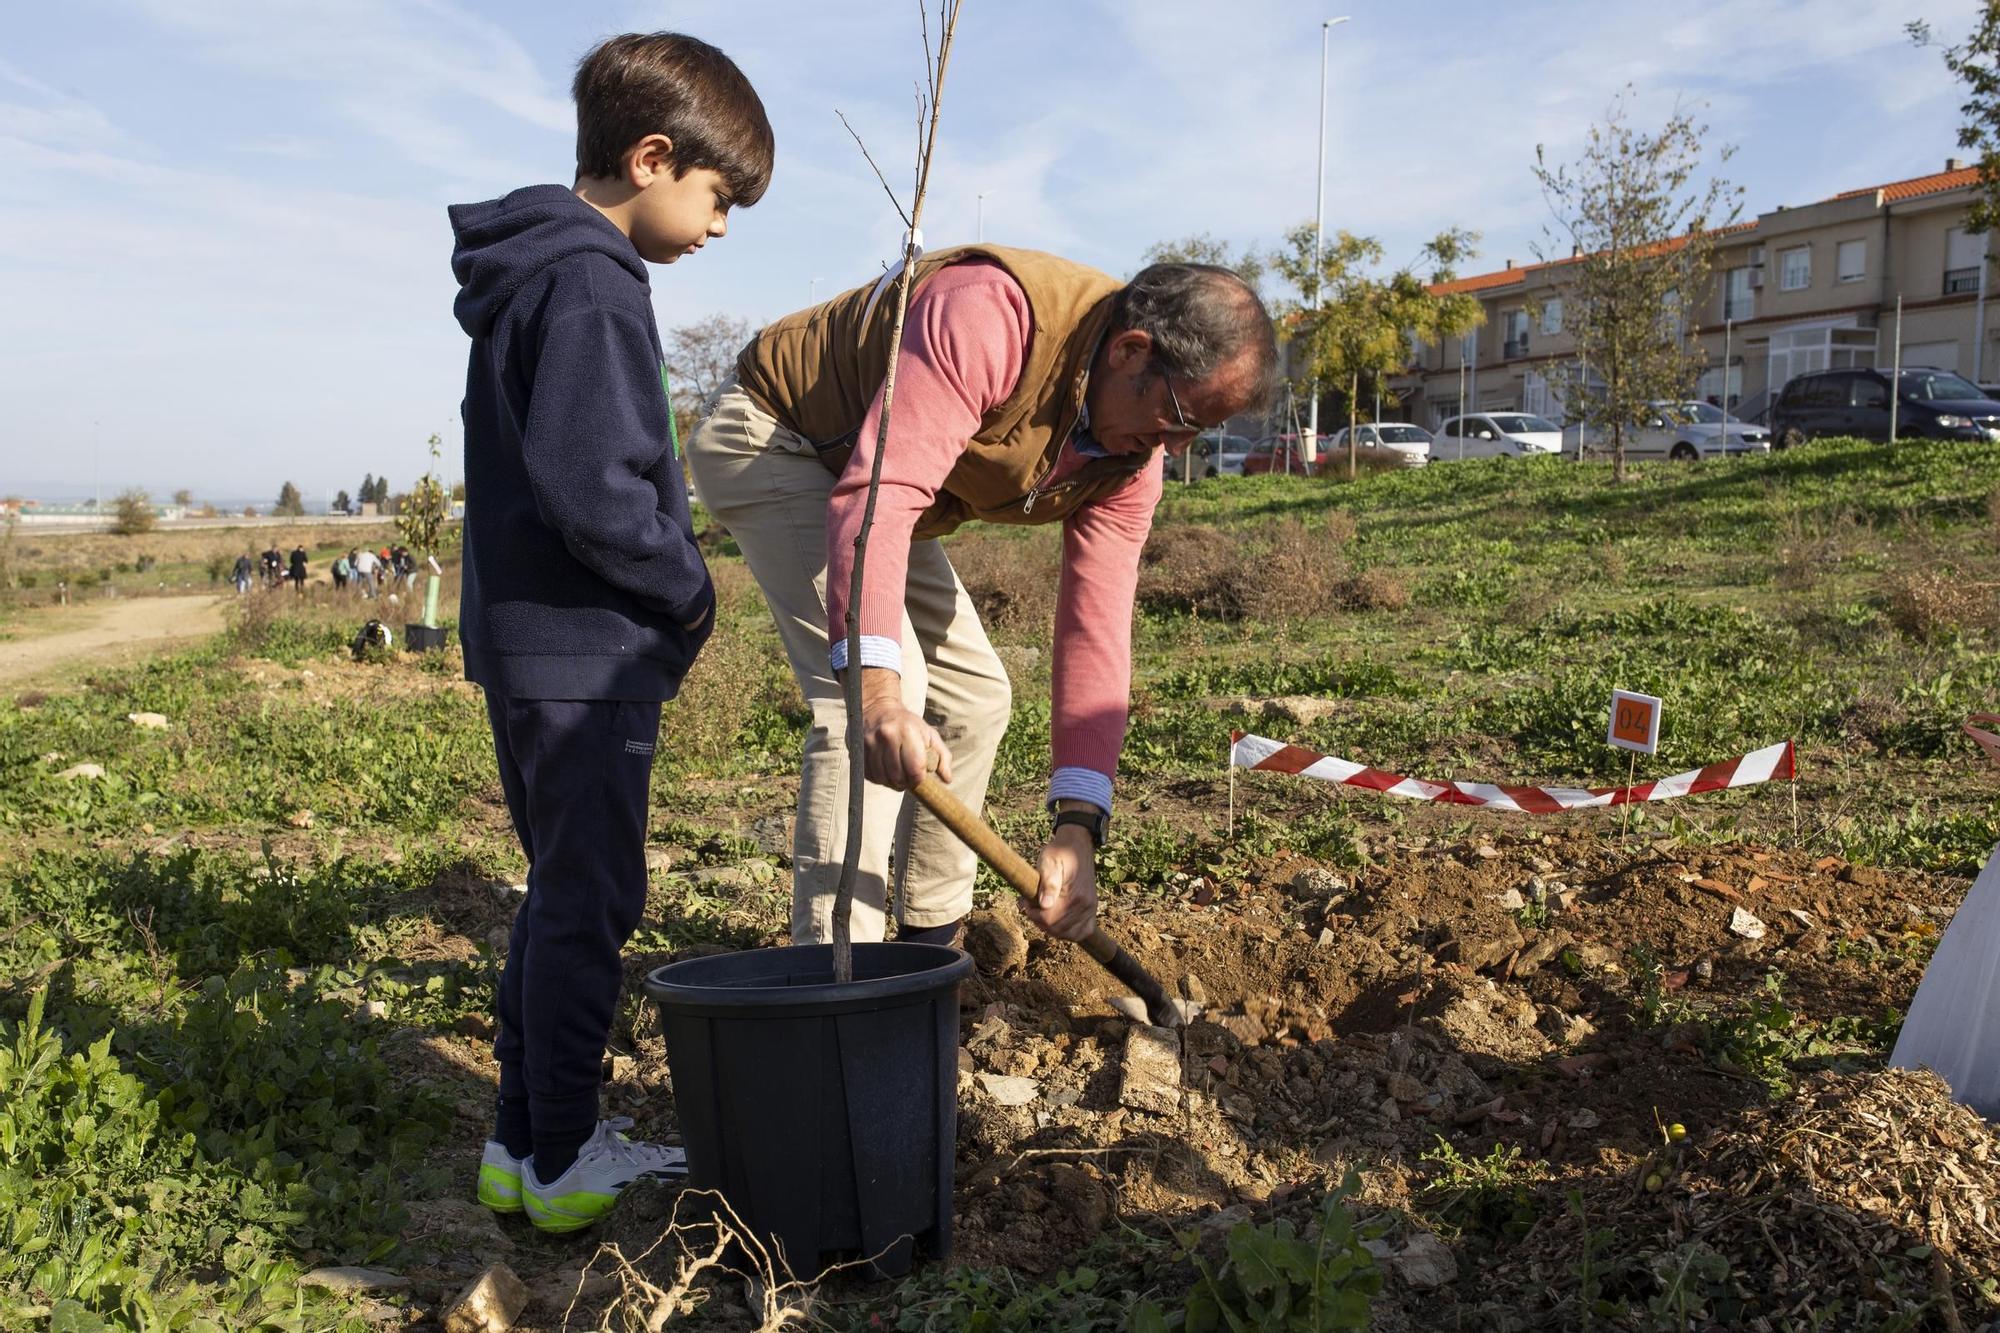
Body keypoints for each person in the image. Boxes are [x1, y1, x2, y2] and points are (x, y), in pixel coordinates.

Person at [687, 251, 1276, 950]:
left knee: (976, 695)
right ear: (1130, 350)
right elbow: (883, 493)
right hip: (778, 436)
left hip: (874, 485)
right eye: (1177, 416)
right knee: (877, 689)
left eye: (1197, 433)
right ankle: (837, 972)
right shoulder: (988, 316)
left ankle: (928, 943)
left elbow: (1097, 626)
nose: (1172, 448)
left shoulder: (1130, 463)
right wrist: (877, 696)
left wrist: (1078, 824)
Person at [449, 30, 771, 1234]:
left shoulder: (533, 272)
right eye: (717, 196)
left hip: (533, 643)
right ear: (649, 157)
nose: (721, 224)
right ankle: (565, 1152)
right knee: (592, 898)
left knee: (559, 888)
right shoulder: (589, 282)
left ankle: (517, 1143)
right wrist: (685, 586)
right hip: (586, 651)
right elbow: (597, 486)